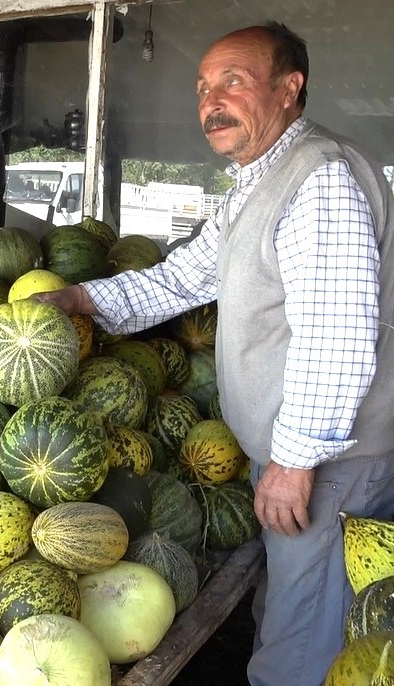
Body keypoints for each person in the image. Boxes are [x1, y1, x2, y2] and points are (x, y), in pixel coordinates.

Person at [36, 22, 394, 686]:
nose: (211, 102)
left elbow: (337, 335)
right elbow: (185, 275)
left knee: (308, 636)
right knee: (291, 605)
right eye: (203, 87)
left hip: (329, 461)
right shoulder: (262, 181)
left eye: (234, 81)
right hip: (295, 455)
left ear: (291, 89)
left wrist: (292, 461)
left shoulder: (319, 179)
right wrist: (85, 300)